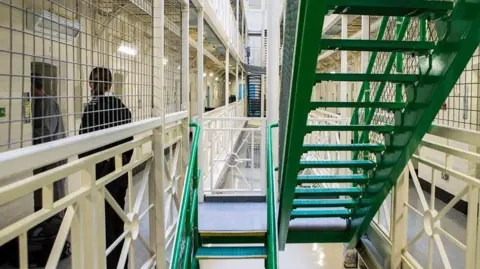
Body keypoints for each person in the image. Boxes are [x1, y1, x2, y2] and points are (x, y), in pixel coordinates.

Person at [78, 67, 133, 269]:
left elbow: (84, 146)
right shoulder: (122, 108)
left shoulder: (90, 109)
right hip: (118, 176)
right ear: (110, 85)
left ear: (90, 85)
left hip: (98, 178)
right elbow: (129, 143)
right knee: (117, 221)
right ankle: (121, 263)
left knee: (102, 225)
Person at [31, 73, 67, 212]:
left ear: (34, 86)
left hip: (55, 154)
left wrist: (29, 135)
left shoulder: (47, 102)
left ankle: (59, 223)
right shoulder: (41, 102)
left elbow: (47, 130)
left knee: (57, 193)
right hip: (50, 153)